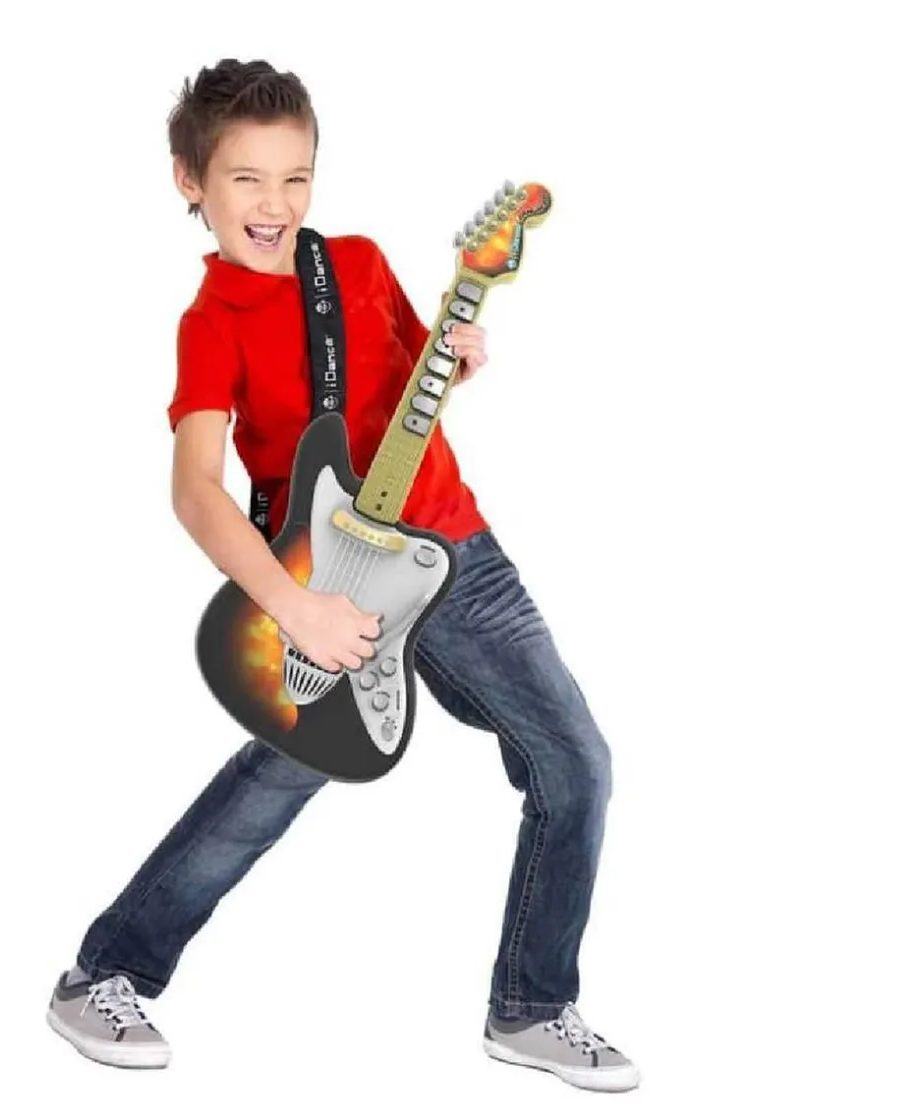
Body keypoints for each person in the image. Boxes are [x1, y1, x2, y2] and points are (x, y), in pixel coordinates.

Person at [45, 58, 639, 1093]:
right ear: (189, 180)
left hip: (456, 549)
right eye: (245, 179)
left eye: (296, 177)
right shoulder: (212, 324)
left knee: (576, 760)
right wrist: (300, 611)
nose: (274, 204)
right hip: (328, 587)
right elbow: (196, 491)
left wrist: (454, 358)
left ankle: (532, 1005)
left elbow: (406, 393)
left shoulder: (355, 264)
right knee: (271, 786)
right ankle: (104, 975)